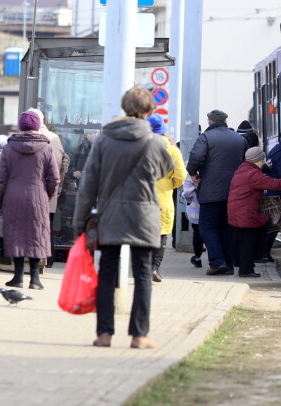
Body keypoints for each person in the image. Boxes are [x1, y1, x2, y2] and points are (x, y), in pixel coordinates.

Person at [74, 85, 173, 349]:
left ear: (124, 108)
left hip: (110, 215)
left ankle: (104, 334)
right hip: (144, 216)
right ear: (149, 111)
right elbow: (166, 169)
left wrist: (79, 221)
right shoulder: (154, 141)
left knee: (106, 273)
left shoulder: (105, 139)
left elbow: (89, 184)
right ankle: (139, 335)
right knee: (142, 274)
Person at [0, 111, 60, 290]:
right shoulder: (46, 147)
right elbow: (54, 179)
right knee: (37, 234)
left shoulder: (8, 147)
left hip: (13, 197)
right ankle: (35, 279)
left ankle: (18, 276)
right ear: (37, 126)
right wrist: (47, 194)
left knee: (15, 234)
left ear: (21, 126)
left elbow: (1, 180)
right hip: (38, 196)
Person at [187, 110, 248, 276]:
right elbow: (246, 162)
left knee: (207, 227)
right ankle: (228, 265)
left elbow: (196, 157)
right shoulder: (239, 139)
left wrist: (193, 173)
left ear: (209, 122)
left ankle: (217, 262)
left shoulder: (205, 138)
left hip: (211, 192)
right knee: (225, 229)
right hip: (234, 192)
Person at [227, 147, 281, 277]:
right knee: (248, 242)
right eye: (262, 160)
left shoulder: (242, 169)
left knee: (244, 239)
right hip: (246, 213)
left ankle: (243, 263)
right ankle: (246, 270)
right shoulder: (253, 174)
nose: (263, 162)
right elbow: (274, 184)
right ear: (257, 160)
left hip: (237, 210)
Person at [28, 108, 70, 268]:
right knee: (48, 227)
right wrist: (58, 187)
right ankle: (49, 259)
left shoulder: (26, 136)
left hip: (30, 190)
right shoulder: (54, 138)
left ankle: (32, 261)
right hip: (50, 190)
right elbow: (63, 162)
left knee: (31, 226)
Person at [146, 114, 185, 283]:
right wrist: (169, 184)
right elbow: (181, 176)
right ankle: (154, 268)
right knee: (161, 235)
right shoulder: (172, 150)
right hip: (163, 198)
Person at [260, 127, 281, 262]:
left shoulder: (280, 149)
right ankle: (263, 253)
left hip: (278, 193)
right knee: (273, 225)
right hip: (278, 194)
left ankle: (264, 253)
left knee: (274, 225)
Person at [181, 173, 205, 268]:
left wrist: (193, 187)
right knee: (213, 233)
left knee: (197, 234)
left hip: (196, 210)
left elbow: (186, 193)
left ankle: (197, 258)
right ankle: (216, 259)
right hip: (212, 207)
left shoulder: (192, 174)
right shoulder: (213, 169)